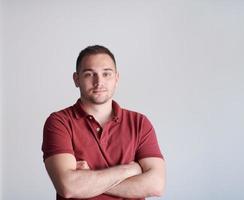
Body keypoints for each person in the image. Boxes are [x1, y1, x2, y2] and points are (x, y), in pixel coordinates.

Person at [42, 45, 166, 200]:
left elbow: (156, 185)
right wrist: (128, 170)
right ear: (76, 79)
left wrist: (88, 181)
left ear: (116, 78)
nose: (98, 82)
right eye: (89, 74)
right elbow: (69, 187)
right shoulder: (59, 122)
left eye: (106, 74)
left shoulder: (139, 123)